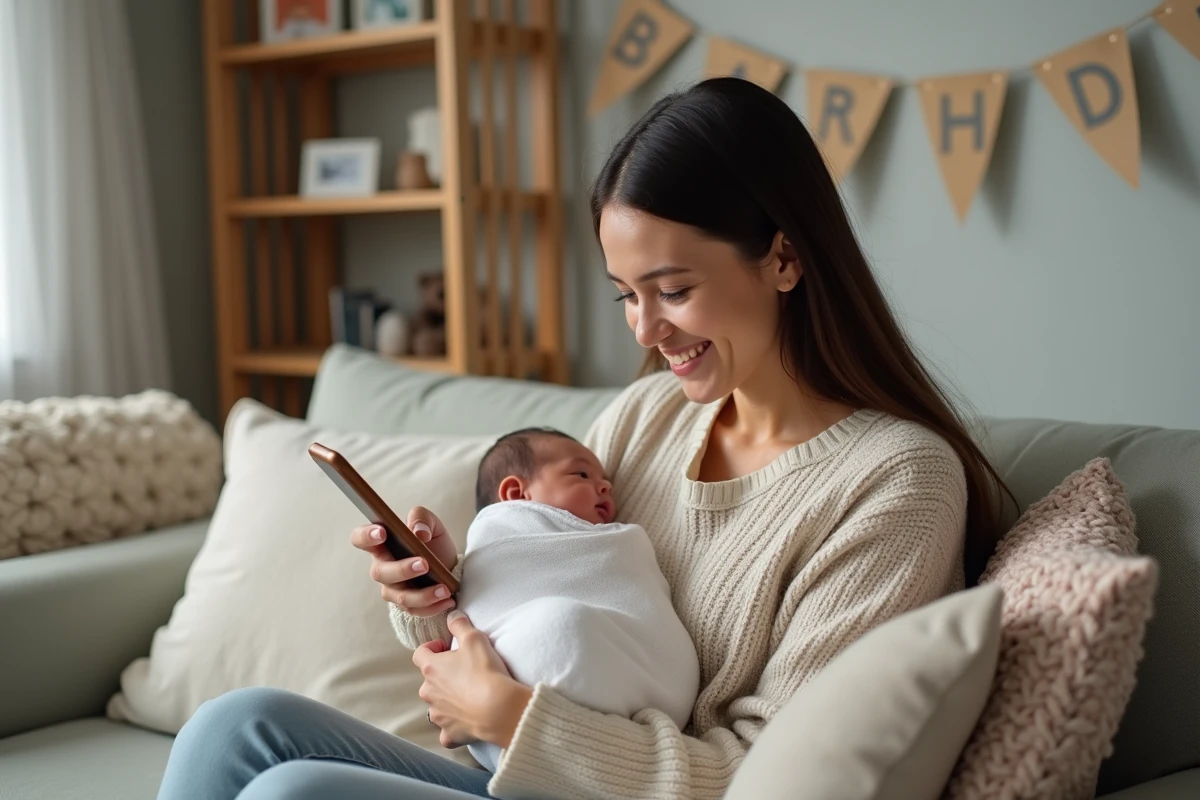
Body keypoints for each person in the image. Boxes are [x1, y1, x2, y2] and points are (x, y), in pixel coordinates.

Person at [156, 76, 1013, 800]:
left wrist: (511, 719)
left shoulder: (896, 484)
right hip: (545, 772)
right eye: (626, 295)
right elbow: (528, 620)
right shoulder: (644, 421)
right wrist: (434, 604)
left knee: (289, 793)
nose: (647, 332)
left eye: (672, 290)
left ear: (785, 259)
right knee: (236, 725)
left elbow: (771, 776)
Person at [453, 426, 700, 773]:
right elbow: (483, 607)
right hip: (489, 730)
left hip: (585, 744)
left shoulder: (609, 545)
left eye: (605, 480)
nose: (606, 486)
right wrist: (428, 589)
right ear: (515, 493)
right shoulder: (499, 540)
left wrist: (497, 706)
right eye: (582, 474)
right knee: (560, 626)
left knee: (564, 625)